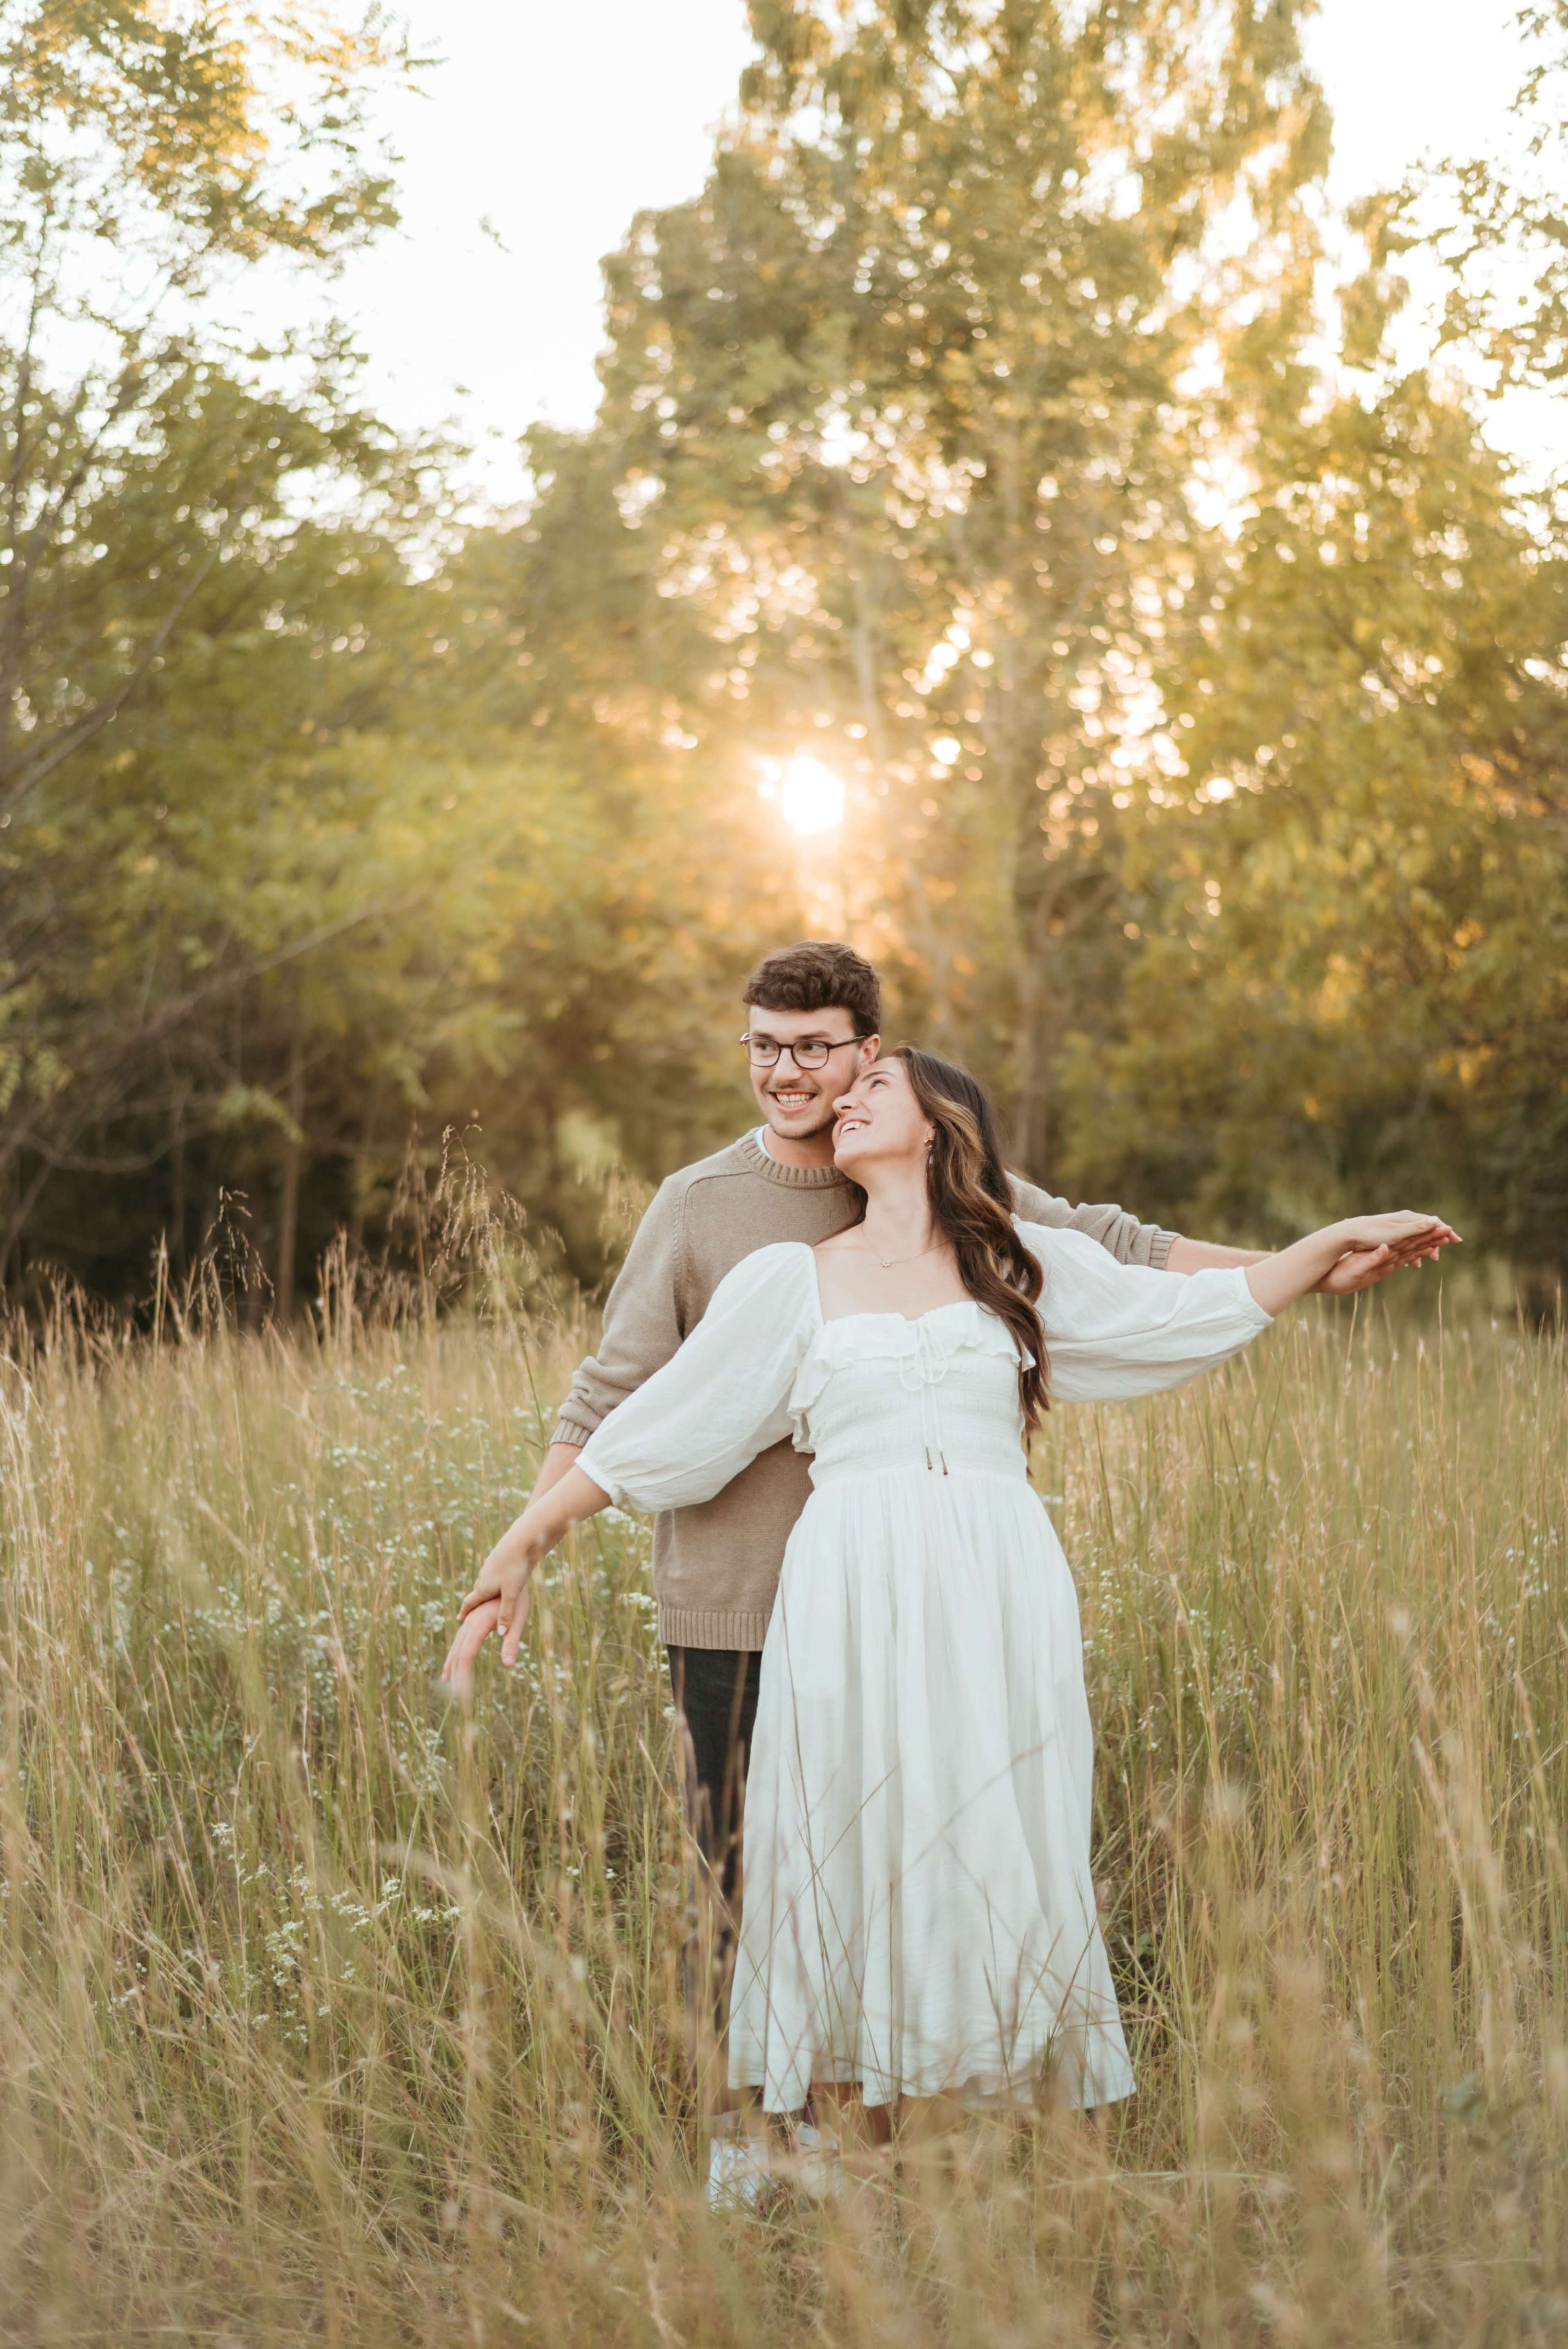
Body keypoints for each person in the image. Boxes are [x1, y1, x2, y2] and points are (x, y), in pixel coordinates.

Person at [448, 1044, 1456, 2163]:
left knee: (988, 1822)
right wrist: (526, 1532)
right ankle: (843, 2126)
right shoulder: (793, 1279)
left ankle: (973, 2121)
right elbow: (670, 1423)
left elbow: (1184, 1308)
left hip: (995, 1577)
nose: (844, 1096)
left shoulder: (1012, 1263)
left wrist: (1326, 1244)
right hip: (848, 1582)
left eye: (874, 1085)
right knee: (844, 1823)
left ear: (935, 1127)